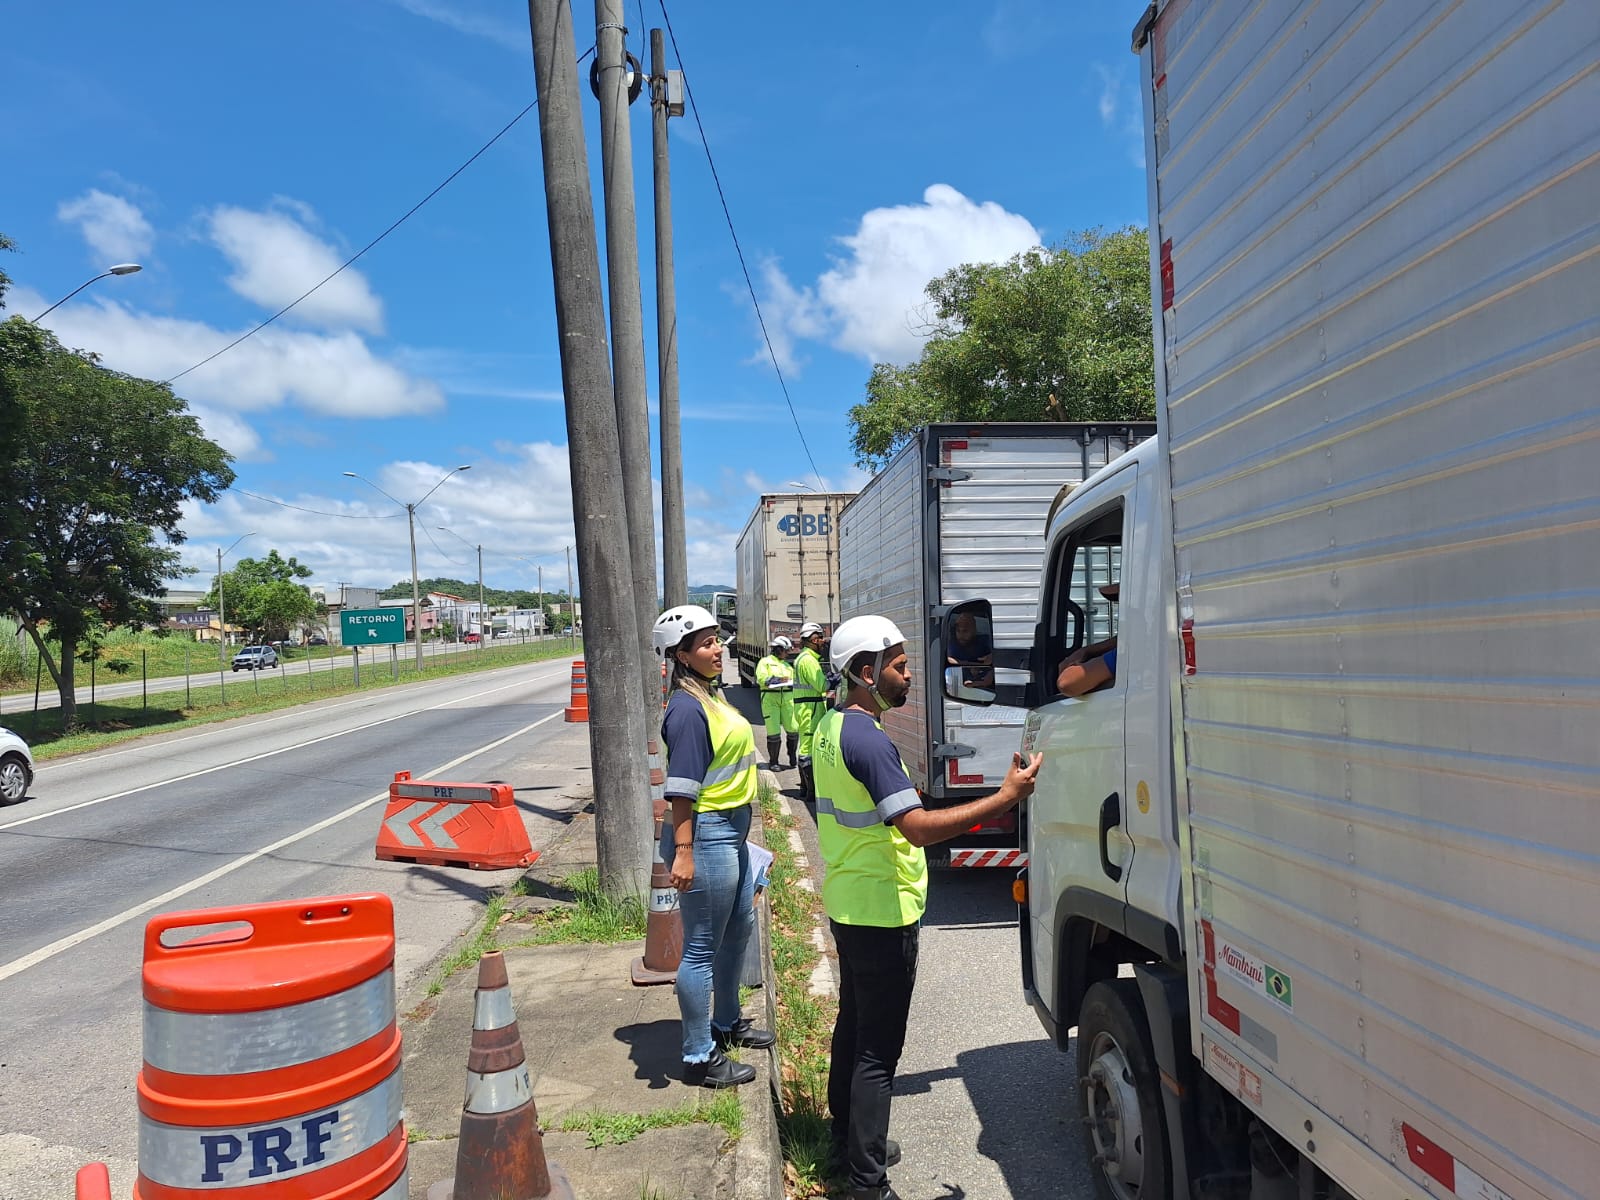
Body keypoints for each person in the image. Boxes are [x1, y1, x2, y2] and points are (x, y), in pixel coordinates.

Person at [814, 615, 1041, 1200]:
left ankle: (847, 1142)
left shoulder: (830, 726)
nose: (909, 674)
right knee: (877, 1052)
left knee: (853, 1027)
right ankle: (868, 1183)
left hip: (850, 902)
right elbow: (915, 829)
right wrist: (1004, 797)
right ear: (865, 673)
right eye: (898, 665)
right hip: (882, 910)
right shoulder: (869, 740)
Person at [652, 604, 776, 1089]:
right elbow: (682, 790)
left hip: (731, 831)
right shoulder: (687, 709)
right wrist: (684, 852)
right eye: (705, 644)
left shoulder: (709, 695)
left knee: (738, 929)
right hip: (705, 835)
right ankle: (699, 1056)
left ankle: (727, 1022)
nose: (718, 648)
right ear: (681, 656)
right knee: (702, 947)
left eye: (716, 639)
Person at [1056, 582, 1119, 697]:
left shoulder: (1130, 653)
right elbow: (1122, 640)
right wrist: (1088, 651)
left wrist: (1071, 665)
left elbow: (1067, 684)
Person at [791, 620, 830, 802]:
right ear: (814, 640)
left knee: (805, 746)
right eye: (820, 638)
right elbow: (822, 685)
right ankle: (811, 791)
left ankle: (805, 788)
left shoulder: (803, 658)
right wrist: (834, 679)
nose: (823, 641)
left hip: (806, 707)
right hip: (810, 709)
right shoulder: (808, 660)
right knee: (807, 749)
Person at [754, 635, 799, 769]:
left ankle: (792, 755)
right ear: (779, 649)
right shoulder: (765, 662)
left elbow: (793, 680)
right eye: (786, 650)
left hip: (787, 699)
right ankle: (773, 761)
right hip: (770, 699)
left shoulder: (787, 665)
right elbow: (762, 679)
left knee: (793, 729)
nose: (787, 653)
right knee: (773, 731)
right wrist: (777, 680)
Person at [945, 610, 995, 689]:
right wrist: (978, 665)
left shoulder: (985, 641)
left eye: (965, 631)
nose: (961, 635)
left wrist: (993, 657)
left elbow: (1003, 656)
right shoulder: (953, 645)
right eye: (958, 631)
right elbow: (949, 659)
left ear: (974, 630)